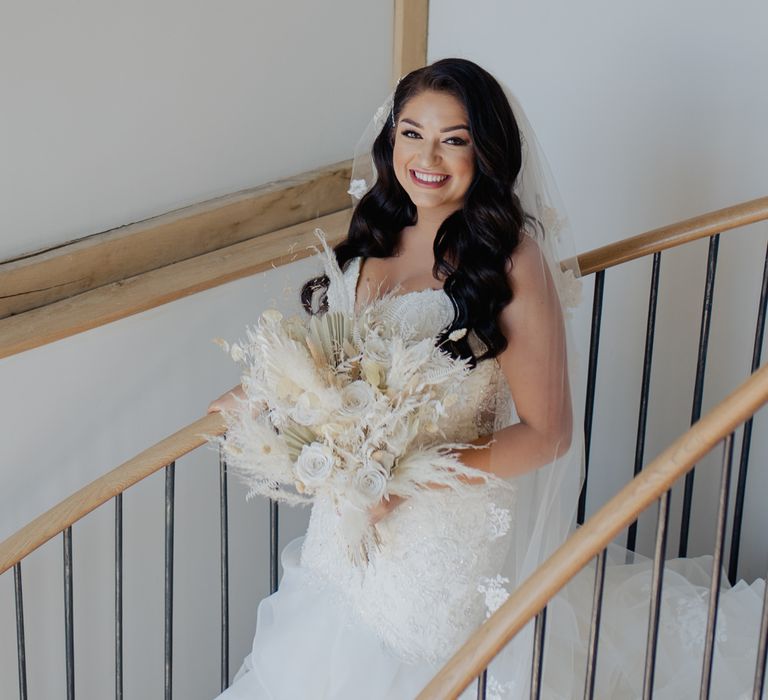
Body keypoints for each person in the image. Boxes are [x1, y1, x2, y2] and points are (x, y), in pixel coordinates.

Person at [209, 59, 764, 699]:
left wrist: (415, 470)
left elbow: (548, 433)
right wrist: (269, 390)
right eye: (412, 133)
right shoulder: (376, 230)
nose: (428, 157)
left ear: (486, 149)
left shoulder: (509, 256)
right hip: (347, 529)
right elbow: (338, 359)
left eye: (455, 139)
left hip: (442, 532)